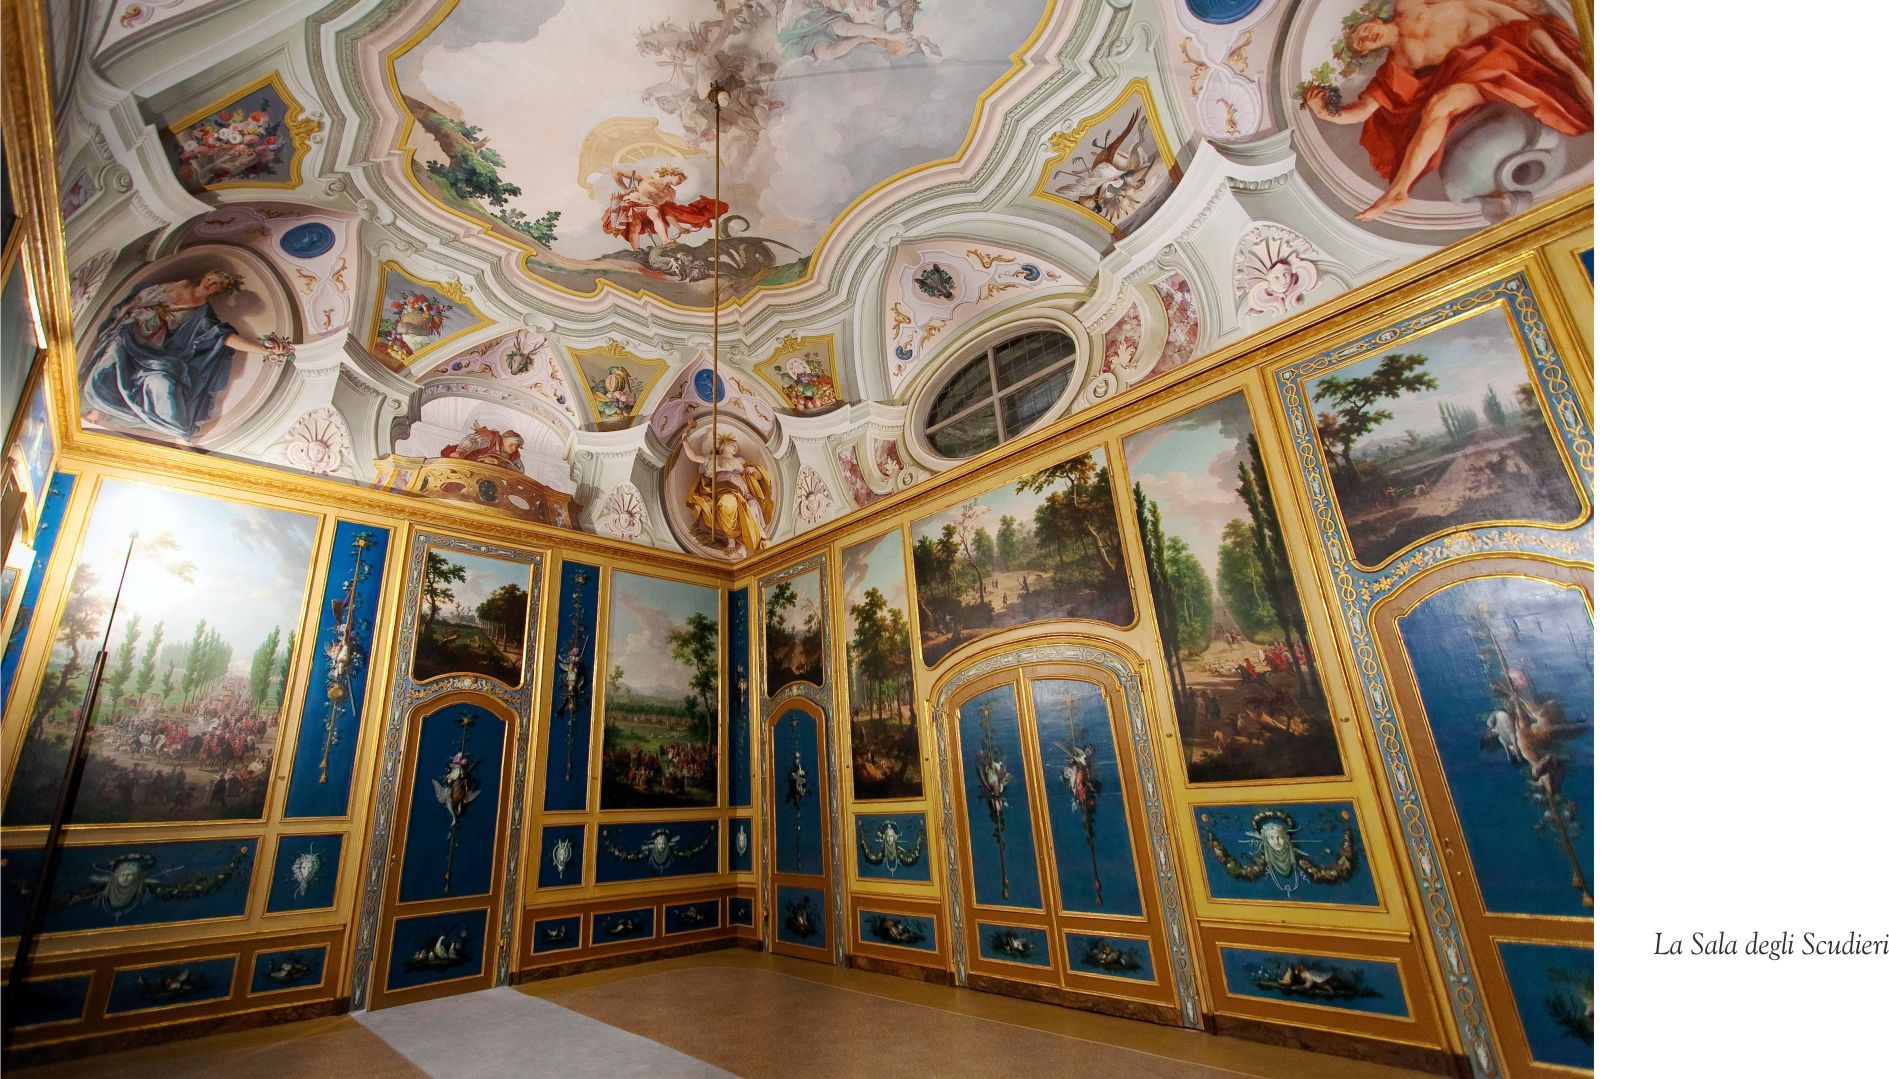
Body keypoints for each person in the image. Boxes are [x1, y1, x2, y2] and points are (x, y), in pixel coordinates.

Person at [1300, 0, 1592, 221]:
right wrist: (1326, 113)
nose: (1365, 38)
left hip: (1512, 32)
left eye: (1362, 31)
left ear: (1373, 20)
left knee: (1561, 60)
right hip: (1477, 70)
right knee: (1439, 104)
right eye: (1359, 44)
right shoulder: (1399, 65)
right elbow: (1365, 109)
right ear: (1365, 52)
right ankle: (1398, 191)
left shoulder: (1407, 5)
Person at [80, 269, 291, 441]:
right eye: (211, 279)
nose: (210, 284)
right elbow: (143, 299)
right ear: (205, 276)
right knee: (114, 353)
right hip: (133, 333)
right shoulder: (180, 285)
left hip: (155, 348)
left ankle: (177, 431)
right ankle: (97, 407)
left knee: (163, 379)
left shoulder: (204, 314)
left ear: (220, 291)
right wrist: (140, 315)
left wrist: (262, 349)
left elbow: (222, 336)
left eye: (217, 284)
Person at [683, 428, 776, 556]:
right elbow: (693, 456)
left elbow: (758, 476)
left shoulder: (740, 460)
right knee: (728, 503)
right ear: (723, 446)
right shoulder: (713, 458)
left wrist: (754, 471)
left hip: (743, 492)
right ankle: (731, 540)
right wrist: (684, 440)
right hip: (725, 489)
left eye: (735, 446)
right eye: (732, 445)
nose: (735, 447)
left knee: (753, 505)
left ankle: (755, 538)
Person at [439, 424, 525, 472]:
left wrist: (500, 464)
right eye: (512, 444)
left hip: (482, 475)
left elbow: (520, 470)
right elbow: (473, 440)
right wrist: (461, 451)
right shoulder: (492, 438)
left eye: (517, 446)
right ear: (504, 439)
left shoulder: (514, 454)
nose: (515, 448)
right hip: (464, 465)